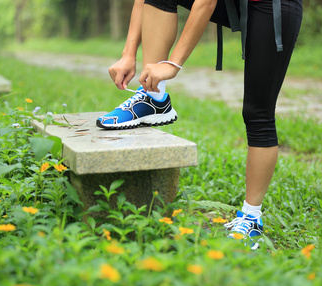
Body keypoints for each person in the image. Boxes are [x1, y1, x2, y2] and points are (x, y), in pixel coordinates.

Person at [97, 0, 302, 250]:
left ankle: (251, 217)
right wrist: (128, 54)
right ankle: (154, 96)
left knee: (257, 113)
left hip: (273, 6)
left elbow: (206, 2)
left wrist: (172, 64)